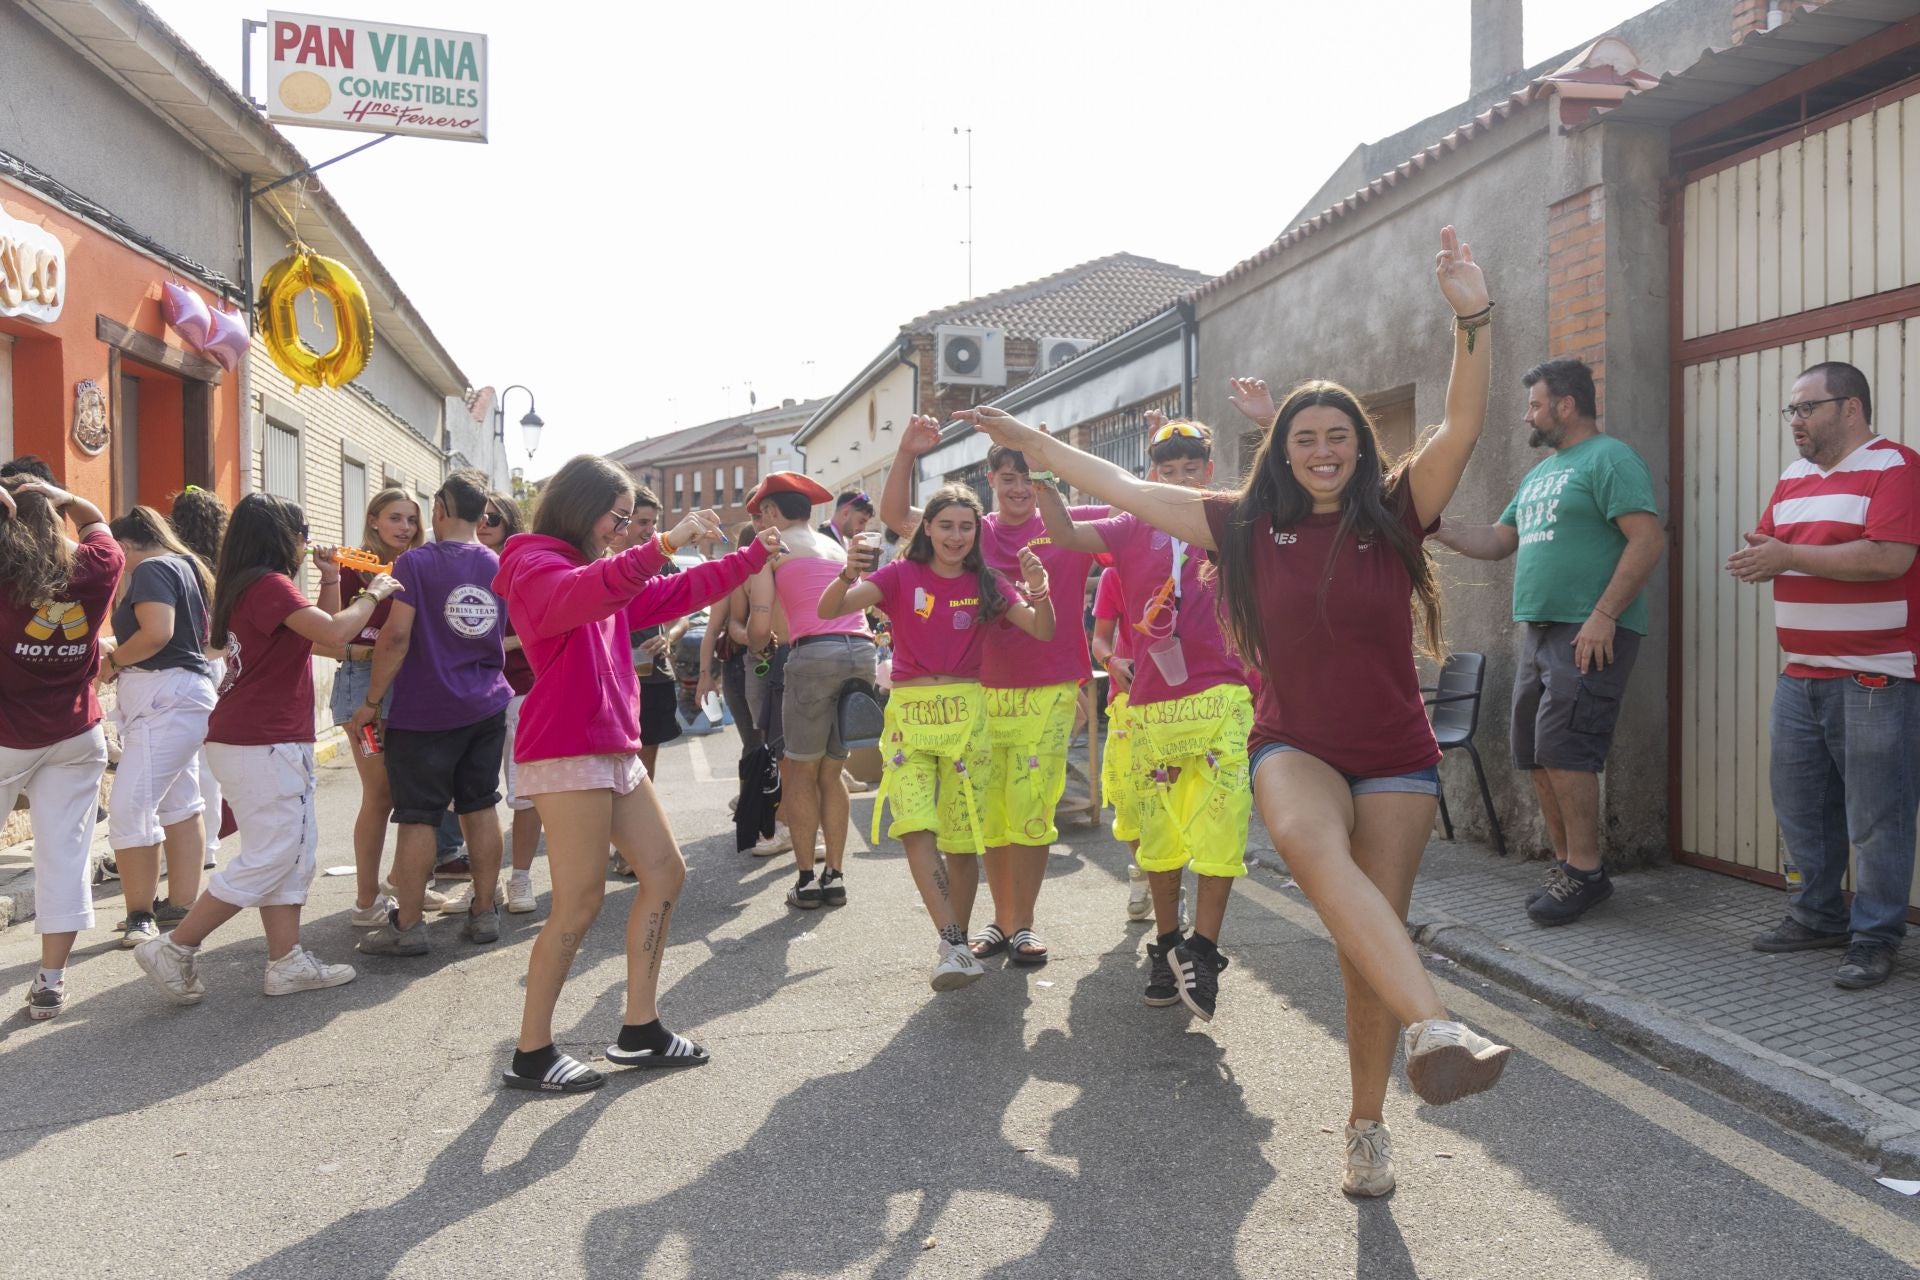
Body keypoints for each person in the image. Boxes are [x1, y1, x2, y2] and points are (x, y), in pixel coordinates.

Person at [961, 226, 1511, 1198]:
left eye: (1339, 435)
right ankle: (1435, 1022)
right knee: (1301, 837)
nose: (1325, 450)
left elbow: (1462, 423)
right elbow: (1122, 487)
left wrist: (1472, 314)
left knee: (1365, 935)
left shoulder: (1395, 510)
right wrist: (1026, 438)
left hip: (1394, 752)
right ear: (1282, 452)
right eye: (1306, 438)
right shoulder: (1241, 523)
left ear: (1359, 444)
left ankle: (1367, 1122)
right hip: (1294, 740)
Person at [494, 455, 775, 1091]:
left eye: (631, 520)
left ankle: (640, 1027)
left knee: (665, 873)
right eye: (618, 518)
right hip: (568, 748)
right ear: (578, 507)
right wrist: (664, 543)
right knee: (579, 903)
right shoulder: (535, 565)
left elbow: (671, 593)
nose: (625, 529)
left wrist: (749, 559)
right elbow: (583, 594)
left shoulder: (594, 570)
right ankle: (531, 1051)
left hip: (609, 744)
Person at [134, 493, 402, 1003]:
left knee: (290, 853)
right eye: (302, 533)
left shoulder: (248, 585)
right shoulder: (269, 585)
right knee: (276, 853)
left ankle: (286, 960)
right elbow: (335, 630)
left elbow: (316, 639)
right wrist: (374, 593)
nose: (305, 543)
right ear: (283, 535)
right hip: (266, 741)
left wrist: (328, 580)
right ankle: (177, 945)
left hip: (251, 739)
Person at [1434, 357, 1662, 925]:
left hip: (1588, 631)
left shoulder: (1611, 459)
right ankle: (1567, 866)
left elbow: (1647, 540)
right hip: (1538, 630)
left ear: (1565, 405)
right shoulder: (1539, 475)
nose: (1527, 415)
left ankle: (1586, 871)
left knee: (1566, 752)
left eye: (1535, 404)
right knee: (1536, 756)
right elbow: (1496, 539)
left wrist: (1605, 614)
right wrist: (1435, 527)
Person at [1038, 418, 1253, 1020]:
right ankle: (1165, 945)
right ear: (1152, 475)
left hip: (1227, 698)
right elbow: (1061, 532)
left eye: (1192, 470)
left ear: (1208, 472)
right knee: (1158, 839)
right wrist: (1045, 473)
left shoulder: (1231, 519)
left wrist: (1265, 419)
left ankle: (1203, 951)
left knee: (1223, 824)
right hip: (1153, 708)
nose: (1181, 479)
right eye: (1168, 471)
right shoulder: (1130, 527)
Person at [881, 423, 1106, 967]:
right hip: (978, 695)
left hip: (1048, 691)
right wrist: (907, 453)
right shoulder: (970, 532)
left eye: (1030, 476)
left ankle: (1022, 925)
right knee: (987, 813)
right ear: (991, 479)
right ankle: (1000, 923)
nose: (1019, 488)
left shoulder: (1071, 526)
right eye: (1009, 477)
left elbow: (1143, 515)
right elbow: (896, 518)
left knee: (1031, 809)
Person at [1728, 360, 1920, 991]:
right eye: (1791, 410)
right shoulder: (1793, 477)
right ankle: (1817, 915)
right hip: (1799, 675)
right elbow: (1778, 541)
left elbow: (1888, 557)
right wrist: (1765, 549)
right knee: (1802, 807)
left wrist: (1786, 554)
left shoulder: (1896, 467)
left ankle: (1875, 937)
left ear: (1852, 409)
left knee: (1876, 816)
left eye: (1807, 408)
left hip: (1875, 677)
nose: (1795, 421)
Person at [820, 484, 1054, 989]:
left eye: (965, 526)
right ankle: (951, 941)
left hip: (968, 717)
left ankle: (958, 947)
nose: (955, 536)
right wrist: (848, 570)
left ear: (977, 532)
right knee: (915, 828)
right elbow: (829, 608)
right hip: (910, 716)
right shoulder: (902, 575)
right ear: (927, 528)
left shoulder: (987, 581)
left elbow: (1041, 629)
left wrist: (1040, 589)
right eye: (945, 525)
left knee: (962, 842)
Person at [351, 469, 513, 957]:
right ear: (484, 515)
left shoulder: (415, 563)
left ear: (439, 509)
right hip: (486, 701)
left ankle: (408, 926)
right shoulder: (498, 564)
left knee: (419, 816)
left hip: (426, 709)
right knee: (480, 805)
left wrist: (372, 701)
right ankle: (484, 912)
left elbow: (396, 638)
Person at [0, 474, 121, 1020]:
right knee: (65, 858)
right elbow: (101, 529)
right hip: (76, 733)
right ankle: (50, 981)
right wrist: (68, 498)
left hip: (8, 735)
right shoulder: (96, 571)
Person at [748, 472, 877, 908]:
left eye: (761, 512)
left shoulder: (773, 549)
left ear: (770, 511)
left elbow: (762, 625)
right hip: (861, 652)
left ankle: (805, 880)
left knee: (800, 771)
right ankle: (835, 876)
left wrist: (754, 640)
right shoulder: (834, 545)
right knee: (831, 770)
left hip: (813, 658)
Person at [321, 488, 441, 926]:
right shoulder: (352, 565)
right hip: (362, 684)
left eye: (411, 519)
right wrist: (333, 576)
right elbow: (328, 631)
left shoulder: (420, 564)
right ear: (373, 520)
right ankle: (366, 901)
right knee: (380, 794)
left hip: (411, 682)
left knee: (417, 790)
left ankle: (407, 884)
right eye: (395, 518)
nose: (405, 528)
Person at [99, 506, 217, 948]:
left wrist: (111, 661)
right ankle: (181, 903)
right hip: (182, 693)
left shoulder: (150, 568)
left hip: (164, 695)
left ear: (125, 545)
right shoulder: (188, 564)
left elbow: (157, 634)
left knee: (131, 807)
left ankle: (139, 915)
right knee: (181, 799)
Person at [480, 491, 543, 914]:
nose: (484, 524)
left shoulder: (521, 567)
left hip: (521, 693)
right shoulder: (459, 565)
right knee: (475, 798)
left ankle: (520, 878)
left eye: (494, 519)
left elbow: (542, 627)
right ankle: (479, 881)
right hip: (474, 695)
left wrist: (489, 641)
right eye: (478, 517)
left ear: (510, 525)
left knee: (526, 794)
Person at [169, 485, 229, 876]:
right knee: (209, 763)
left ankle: (180, 845)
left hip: (176, 664)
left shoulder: (170, 562)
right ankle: (208, 844)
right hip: (215, 662)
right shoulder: (224, 566)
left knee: (179, 761)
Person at [1090, 564, 1150, 920]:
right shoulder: (1116, 575)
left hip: (1181, 701)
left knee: (1168, 802)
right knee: (1127, 803)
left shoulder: (1194, 563)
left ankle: (1169, 887)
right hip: (1128, 701)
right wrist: (1112, 661)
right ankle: (1144, 870)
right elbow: (1099, 638)